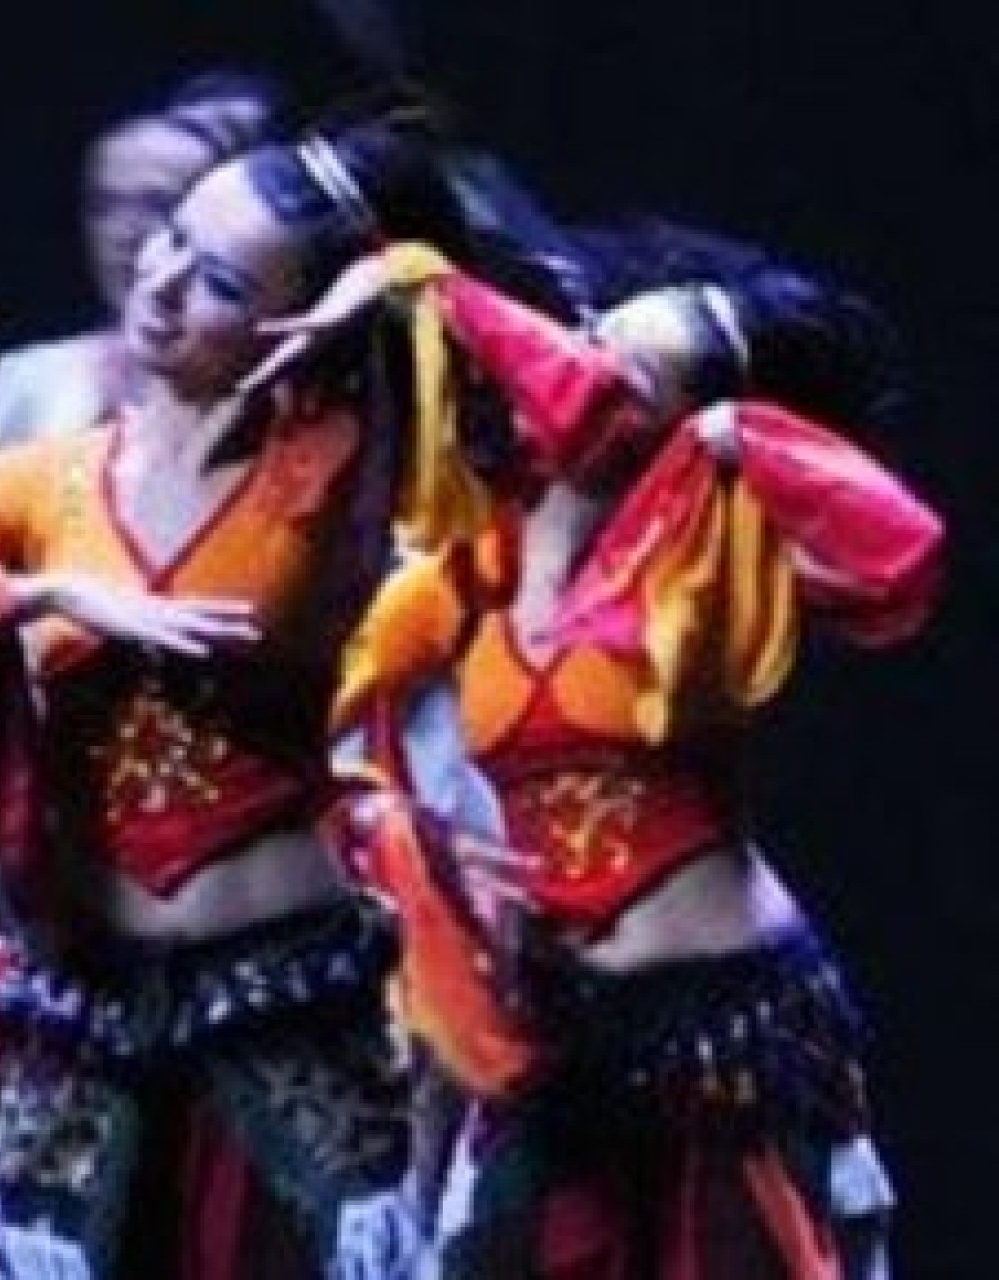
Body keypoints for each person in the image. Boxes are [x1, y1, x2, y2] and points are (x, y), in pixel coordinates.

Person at [0, 114, 495, 1280]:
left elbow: (511, 390)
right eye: (169, 238)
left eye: (218, 281)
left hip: (288, 1001)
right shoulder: (47, 483)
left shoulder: (339, 476)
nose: (158, 284)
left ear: (301, 319)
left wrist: (395, 279)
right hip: (83, 1013)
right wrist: (36, 592)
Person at [304, 236, 942, 1277]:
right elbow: (319, 733)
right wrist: (406, 840)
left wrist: (742, 436)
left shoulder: (710, 558)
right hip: (553, 1029)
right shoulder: (475, 562)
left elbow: (897, 556)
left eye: (629, 380)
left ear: (673, 427)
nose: (580, 376)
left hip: (722, 1016)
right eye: (588, 344)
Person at [0, 72, 284, 482]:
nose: (124, 231)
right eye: (106, 205)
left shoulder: (279, 397)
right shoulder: (33, 376)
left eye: (157, 204)